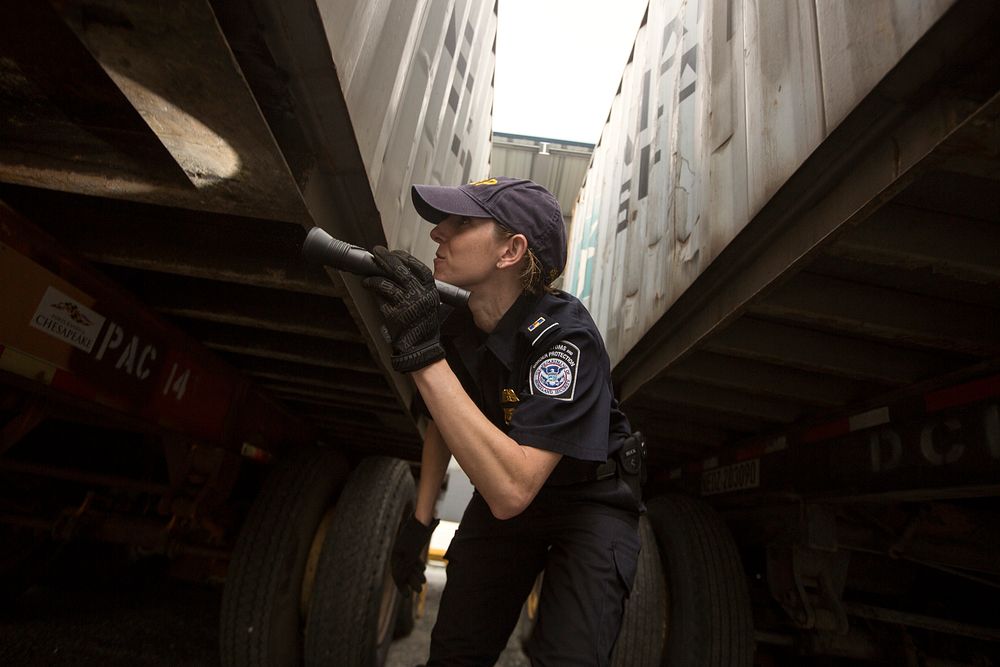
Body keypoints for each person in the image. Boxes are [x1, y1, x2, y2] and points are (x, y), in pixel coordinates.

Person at [362, 176, 642, 666]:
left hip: (586, 502)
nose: (437, 233)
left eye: (463, 223)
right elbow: (444, 423)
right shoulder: (458, 325)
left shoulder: (564, 339)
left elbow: (513, 491)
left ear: (511, 251)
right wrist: (420, 521)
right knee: (454, 654)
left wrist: (424, 357)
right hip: (508, 500)